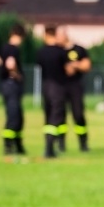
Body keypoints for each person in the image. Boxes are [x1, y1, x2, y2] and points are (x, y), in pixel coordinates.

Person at [36, 25, 70, 159]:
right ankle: (50, 147)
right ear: (55, 34)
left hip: (46, 86)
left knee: (48, 115)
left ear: (45, 35)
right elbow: (68, 70)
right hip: (58, 86)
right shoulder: (61, 52)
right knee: (56, 116)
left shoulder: (41, 52)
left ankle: (48, 145)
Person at [56, 26, 91, 151]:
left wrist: (75, 65)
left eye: (59, 35)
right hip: (60, 86)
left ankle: (83, 143)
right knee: (60, 115)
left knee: (78, 113)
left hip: (75, 86)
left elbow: (87, 65)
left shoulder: (78, 49)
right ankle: (61, 143)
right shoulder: (56, 50)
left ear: (65, 35)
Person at [0, 22, 26, 157]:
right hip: (12, 84)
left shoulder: (3, 48)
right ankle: (9, 146)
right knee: (14, 116)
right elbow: (10, 64)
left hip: (5, 84)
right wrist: (17, 75)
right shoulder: (13, 49)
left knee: (15, 114)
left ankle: (17, 146)